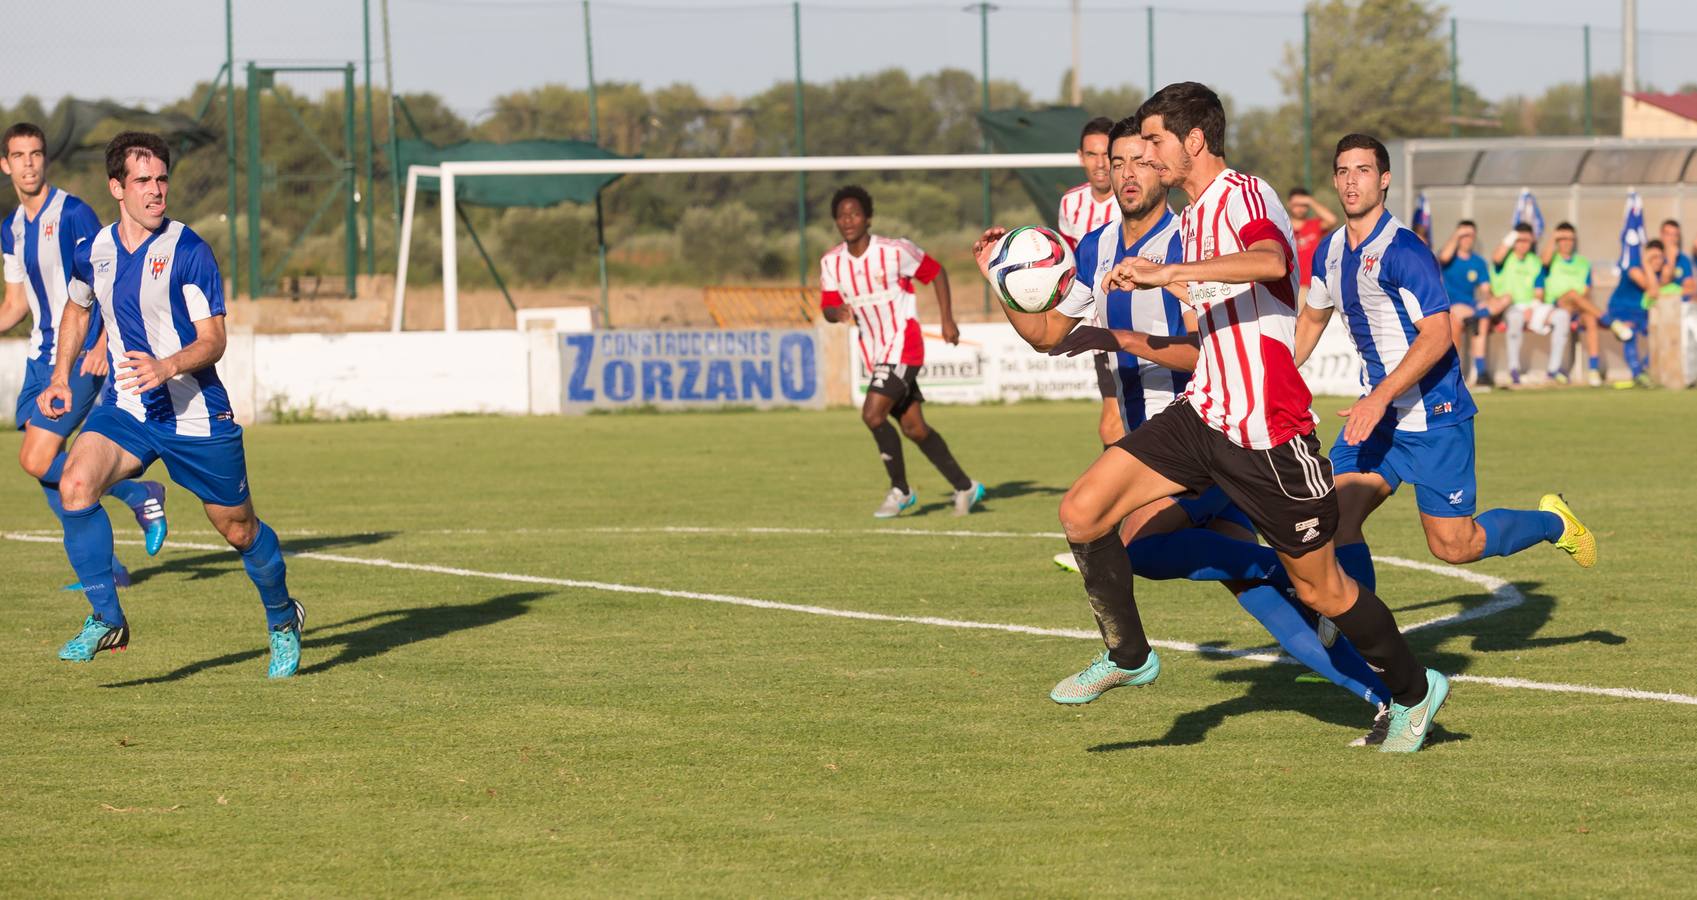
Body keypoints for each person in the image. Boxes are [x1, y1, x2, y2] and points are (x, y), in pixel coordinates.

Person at [1050, 82, 1446, 752]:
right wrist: (1162, 278)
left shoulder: (1241, 194)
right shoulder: (1189, 215)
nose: (1141, 155)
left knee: (1322, 592)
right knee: (1081, 512)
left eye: (1152, 142)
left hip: (1266, 430)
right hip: (1203, 410)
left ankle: (1412, 690)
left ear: (1192, 140)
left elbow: (1269, 260)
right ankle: (1128, 656)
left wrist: (1168, 272)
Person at [979, 118, 1391, 741]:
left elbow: (1212, 354)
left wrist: (1122, 338)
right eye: (1116, 162)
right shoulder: (1092, 249)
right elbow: (1047, 336)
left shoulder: (1189, 243)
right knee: (1251, 585)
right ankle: (1379, 690)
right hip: (1160, 452)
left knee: (1139, 546)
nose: (1126, 173)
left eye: (1141, 160)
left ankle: (1142, 650)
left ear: (1164, 166)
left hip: (1210, 433)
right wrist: (1002, 277)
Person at [1293, 134, 1595, 628]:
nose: (1351, 181)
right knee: (1337, 517)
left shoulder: (1405, 251)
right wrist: (1275, 377)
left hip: (1435, 416)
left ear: (1384, 179)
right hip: (1378, 420)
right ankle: (1361, 631)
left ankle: (1553, 522)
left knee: (1455, 546)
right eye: (1343, 171)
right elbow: (1311, 320)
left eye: (1363, 170)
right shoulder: (1327, 252)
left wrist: (1380, 396)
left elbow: (1438, 335)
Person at [43, 131, 303, 677]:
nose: (156, 190)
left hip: (195, 414)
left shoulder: (188, 250)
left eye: (162, 179)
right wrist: (60, 375)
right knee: (74, 483)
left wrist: (165, 366)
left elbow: (214, 340)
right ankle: (106, 617)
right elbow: (76, 307)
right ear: (117, 187)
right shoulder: (94, 251)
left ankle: (282, 617)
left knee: (238, 530)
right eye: (143, 181)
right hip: (128, 409)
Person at [0, 121, 167, 588]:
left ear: (45, 159)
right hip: (40, 359)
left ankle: (136, 490)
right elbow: (14, 305)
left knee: (36, 457)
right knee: (43, 467)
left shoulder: (73, 213)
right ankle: (109, 569)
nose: (29, 163)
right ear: (5, 164)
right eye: (19, 155)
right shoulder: (10, 227)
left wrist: (99, 345)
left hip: (79, 355)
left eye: (36, 153)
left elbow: (106, 275)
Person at [819, 185, 982, 518]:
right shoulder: (832, 262)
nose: (848, 220)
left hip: (903, 343)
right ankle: (966, 486)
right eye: (841, 215)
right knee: (914, 428)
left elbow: (935, 272)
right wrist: (836, 313)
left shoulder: (894, 252)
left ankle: (901, 491)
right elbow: (828, 306)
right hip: (876, 352)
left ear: (868, 217)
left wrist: (947, 319)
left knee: (872, 415)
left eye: (855, 213)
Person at [1057, 117, 1129, 446]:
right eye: (1092, 154)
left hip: (1134, 326)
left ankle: (1120, 494)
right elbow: (1069, 264)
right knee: (1119, 422)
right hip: (1098, 330)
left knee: (1115, 426)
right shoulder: (1070, 203)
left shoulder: (1134, 198)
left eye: (1106, 154)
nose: (1100, 163)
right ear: (1080, 157)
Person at [1535, 223, 1621, 387]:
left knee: (1590, 318)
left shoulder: (1583, 262)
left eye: (1570, 239)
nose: (1567, 242)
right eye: (1563, 239)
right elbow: (1544, 260)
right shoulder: (1551, 260)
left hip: (1578, 306)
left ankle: (1593, 369)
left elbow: (1587, 292)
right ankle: (1611, 322)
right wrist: (1554, 236)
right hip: (1557, 305)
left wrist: (1578, 304)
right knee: (1572, 293)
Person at [1436, 220, 1495, 378]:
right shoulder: (1449, 256)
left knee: (1483, 317)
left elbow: (1485, 289)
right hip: (1450, 304)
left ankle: (1481, 372)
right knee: (1455, 320)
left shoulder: (1478, 262)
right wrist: (1457, 234)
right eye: (1464, 235)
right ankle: (1454, 370)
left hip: (1470, 305)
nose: (1467, 239)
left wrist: (1486, 300)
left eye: (1470, 235)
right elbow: (1444, 257)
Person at [1487, 223, 1544, 386]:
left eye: (1527, 240)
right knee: (1516, 317)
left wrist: (1532, 307)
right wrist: (1512, 236)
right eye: (1520, 240)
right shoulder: (1505, 259)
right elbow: (1496, 257)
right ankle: (1514, 369)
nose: (1524, 244)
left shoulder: (1535, 262)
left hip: (1532, 307)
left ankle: (1554, 371)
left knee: (1561, 317)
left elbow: (1539, 291)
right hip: (1507, 308)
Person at [1605, 235, 1660, 389]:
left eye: (1659, 257)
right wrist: (1646, 263)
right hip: (1621, 310)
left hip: (1640, 314)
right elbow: (1652, 291)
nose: (1656, 260)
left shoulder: (1657, 273)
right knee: (1629, 332)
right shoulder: (1635, 268)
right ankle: (1638, 373)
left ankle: (1643, 369)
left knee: (1660, 335)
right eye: (1653, 256)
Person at [1288, 186, 1338, 300]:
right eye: (1296, 204)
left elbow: (1332, 220)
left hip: (1312, 285)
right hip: (1291, 285)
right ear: (1289, 204)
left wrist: (1310, 200)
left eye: (1303, 205)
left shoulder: (1314, 225)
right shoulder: (1284, 227)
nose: (1300, 208)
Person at [1657, 219, 1694, 302]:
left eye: (1675, 235)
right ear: (1661, 235)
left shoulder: (1684, 259)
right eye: (1668, 234)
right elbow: (1662, 283)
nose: (1672, 238)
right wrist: (1672, 259)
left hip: (1679, 304)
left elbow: (1690, 288)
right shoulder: (1655, 257)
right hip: (1659, 305)